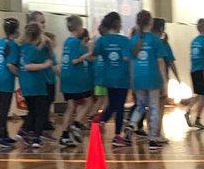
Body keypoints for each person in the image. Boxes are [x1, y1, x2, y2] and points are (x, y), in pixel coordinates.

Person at [128, 10, 166, 150]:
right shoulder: (156, 40)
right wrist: (165, 82)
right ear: (150, 23)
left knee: (140, 105)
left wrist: (132, 81)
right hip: (152, 78)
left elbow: (130, 61)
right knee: (154, 107)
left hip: (138, 77)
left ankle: (132, 123)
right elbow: (160, 61)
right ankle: (153, 139)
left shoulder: (133, 40)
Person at [93, 12, 133, 146]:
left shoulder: (102, 40)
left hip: (109, 78)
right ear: (118, 24)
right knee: (119, 106)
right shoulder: (125, 40)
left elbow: (93, 55)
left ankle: (101, 120)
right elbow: (128, 58)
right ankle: (117, 136)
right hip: (122, 78)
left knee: (112, 104)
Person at [58, 15, 93, 148]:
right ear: (79, 28)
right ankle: (76, 124)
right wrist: (88, 53)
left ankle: (64, 136)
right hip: (74, 77)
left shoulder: (67, 41)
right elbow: (74, 60)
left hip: (66, 77)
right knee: (88, 101)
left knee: (71, 106)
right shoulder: (74, 42)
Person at [17, 22, 53, 149]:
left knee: (32, 111)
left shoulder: (22, 47)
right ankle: (36, 138)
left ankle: (24, 132)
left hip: (25, 85)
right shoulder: (35, 49)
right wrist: (45, 65)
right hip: (36, 85)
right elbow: (28, 66)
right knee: (41, 113)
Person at [0, 16, 20, 150]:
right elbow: (9, 65)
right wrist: (20, 73)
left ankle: (5, 134)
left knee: (2, 108)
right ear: (16, 30)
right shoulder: (13, 45)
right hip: (6, 80)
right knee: (4, 110)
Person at [186, 17, 204, 130]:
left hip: (194, 70)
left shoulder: (193, 42)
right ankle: (197, 119)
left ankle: (188, 110)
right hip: (203, 69)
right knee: (203, 96)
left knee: (198, 93)